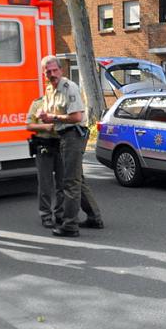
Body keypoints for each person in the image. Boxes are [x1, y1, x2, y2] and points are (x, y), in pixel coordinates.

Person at [37, 56, 103, 237]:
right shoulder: (50, 89)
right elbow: (52, 113)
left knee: (70, 182)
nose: (51, 74)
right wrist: (43, 115)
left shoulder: (69, 88)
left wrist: (52, 118)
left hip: (73, 135)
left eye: (54, 70)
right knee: (77, 180)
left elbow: (76, 117)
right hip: (62, 137)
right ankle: (94, 217)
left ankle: (69, 226)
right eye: (47, 71)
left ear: (61, 70)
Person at [26, 95, 64, 228]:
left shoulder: (64, 102)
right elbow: (29, 126)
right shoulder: (38, 103)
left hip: (62, 146)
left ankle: (60, 214)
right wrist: (45, 127)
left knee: (63, 184)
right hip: (45, 146)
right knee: (45, 184)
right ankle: (45, 215)